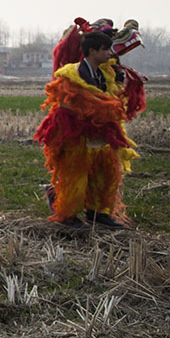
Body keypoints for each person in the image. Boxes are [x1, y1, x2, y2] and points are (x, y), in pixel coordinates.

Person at [34, 30, 138, 229]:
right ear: (92, 51)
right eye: (105, 49)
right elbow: (67, 105)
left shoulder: (106, 74)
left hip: (100, 136)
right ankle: (67, 216)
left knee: (105, 175)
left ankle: (99, 213)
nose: (110, 53)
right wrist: (99, 107)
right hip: (76, 135)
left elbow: (113, 99)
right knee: (76, 176)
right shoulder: (71, 76)